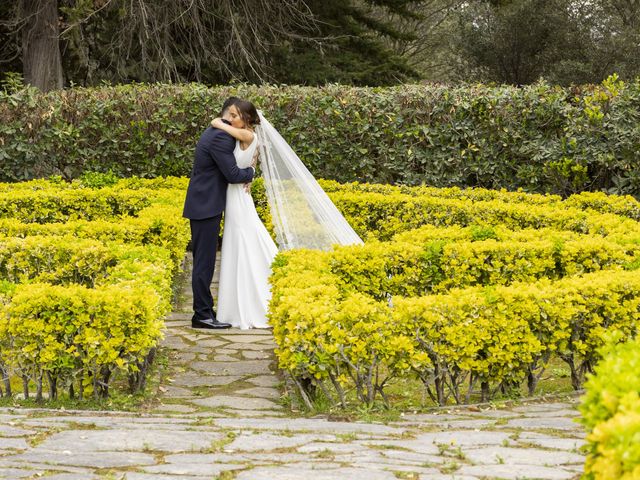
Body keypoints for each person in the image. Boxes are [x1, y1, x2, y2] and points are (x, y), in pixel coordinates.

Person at [182, 97, 256, 329]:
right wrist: (251, 172)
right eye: (237, 117)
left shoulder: (217, 131)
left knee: (204, 261)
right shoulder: (221, 138)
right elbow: (233, 174)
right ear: (230, 116)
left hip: (205, 203)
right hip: (205, 205)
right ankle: (202, 315)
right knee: (204, 263)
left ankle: (205, 311)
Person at [210, 99, 278, 329]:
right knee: (239, 243)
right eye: (228, 114)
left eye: (235, 115)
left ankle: (249, 305)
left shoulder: (248, 135)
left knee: (243, 243)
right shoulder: (242, 133)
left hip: (238, 197)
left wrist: (217, 122)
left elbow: (223, 127)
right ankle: (233, 307)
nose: (230, 119)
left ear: (247, 119)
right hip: (235, 195)